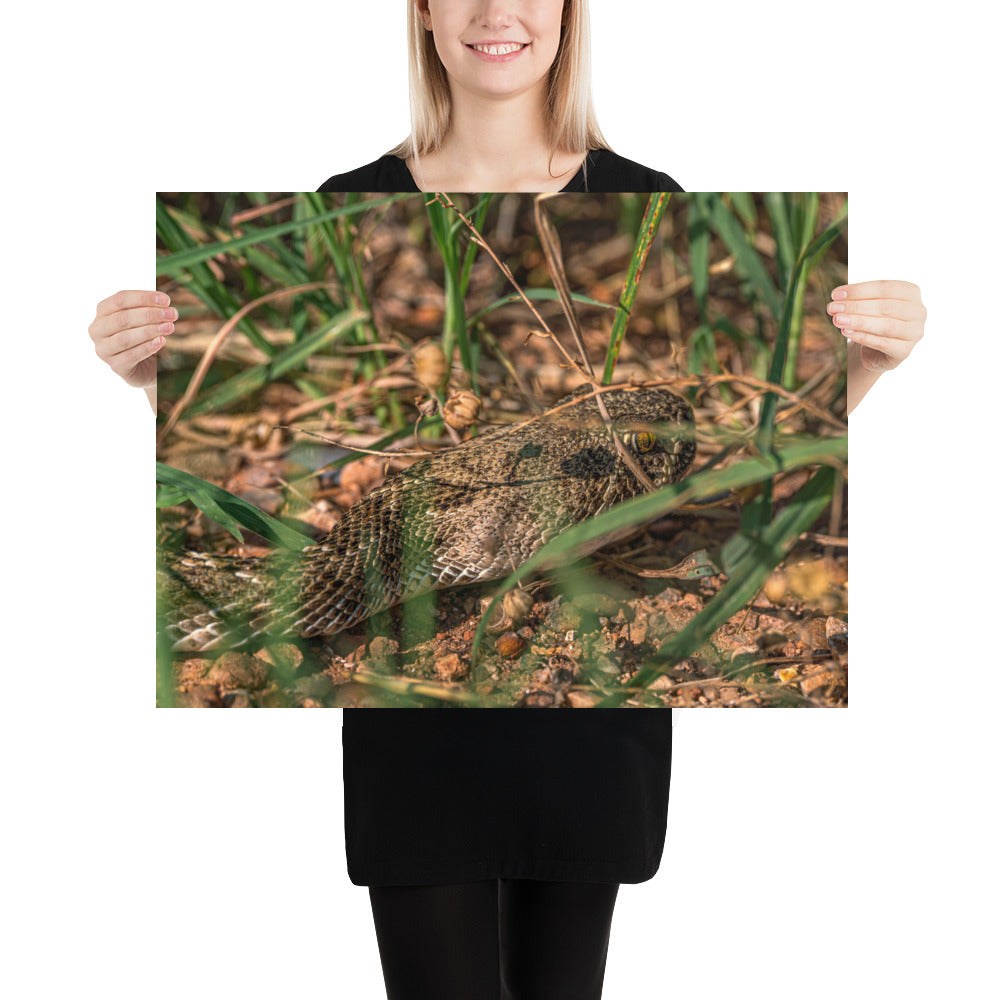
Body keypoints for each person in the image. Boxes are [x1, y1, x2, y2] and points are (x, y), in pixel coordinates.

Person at [89, 2, 924, 997]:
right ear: (424, 15)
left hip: (588, 754)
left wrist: (864, 369)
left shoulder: (646, 194)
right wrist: (150, 380)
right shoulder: (345, 198)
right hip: (421, 760)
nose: (497, 10)